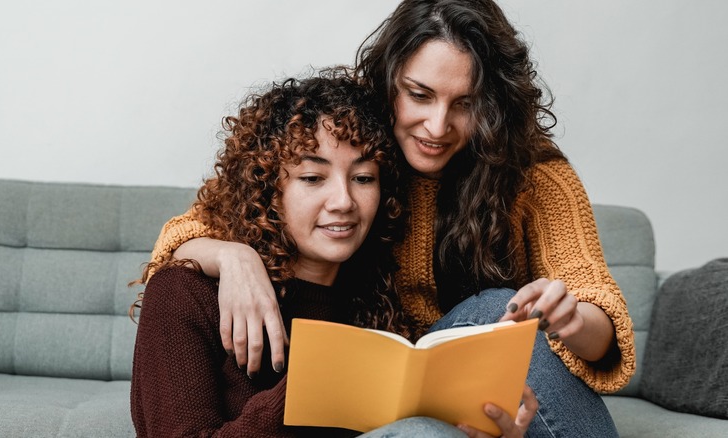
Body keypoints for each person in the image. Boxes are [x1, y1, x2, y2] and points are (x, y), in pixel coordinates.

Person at [144, 1, 635, 436]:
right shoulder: (354, 135)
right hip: (382, 366)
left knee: (496, 311)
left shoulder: (532, 174)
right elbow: (207, 223)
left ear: (493, 105)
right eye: (419, 95)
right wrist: (233, 257)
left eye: (465, 104)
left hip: (463, 373)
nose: (437, 126)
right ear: (389, 82)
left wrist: (568, 319)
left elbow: (598, 310)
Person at [131, 72, 536, 437]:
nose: (343, 201)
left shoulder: (375, 304)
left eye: (363, 178)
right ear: (269, 189)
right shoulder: (185, 292)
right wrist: (316, 381)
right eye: (312, 178)